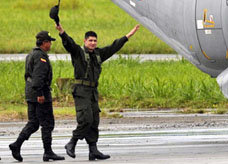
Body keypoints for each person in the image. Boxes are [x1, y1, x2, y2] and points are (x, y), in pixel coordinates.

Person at [55, 24, 139, 160]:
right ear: (85, 41)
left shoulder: (99, 54)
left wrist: (128, 36)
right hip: (81, 90)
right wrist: (61, 31)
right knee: (85, 119)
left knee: (94, 120)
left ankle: (93, 150)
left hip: (93, 91)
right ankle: (72, 142)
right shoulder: (78, 53)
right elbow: (69, 43)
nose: (93, 43)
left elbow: (113, 47)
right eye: (90, 40)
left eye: (95, 41)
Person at [9, 31, 65, 162]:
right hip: (40, 94)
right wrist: (40, 94)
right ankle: (48, 152)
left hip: (31, 93)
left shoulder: (31, 54)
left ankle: (16, 145)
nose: (50, 44)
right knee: (47, 123)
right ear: (44, 43)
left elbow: (28, 75)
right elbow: (39, 77)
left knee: (34, 123)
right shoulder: (41, 57)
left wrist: (33, 92)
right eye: (49, 42)